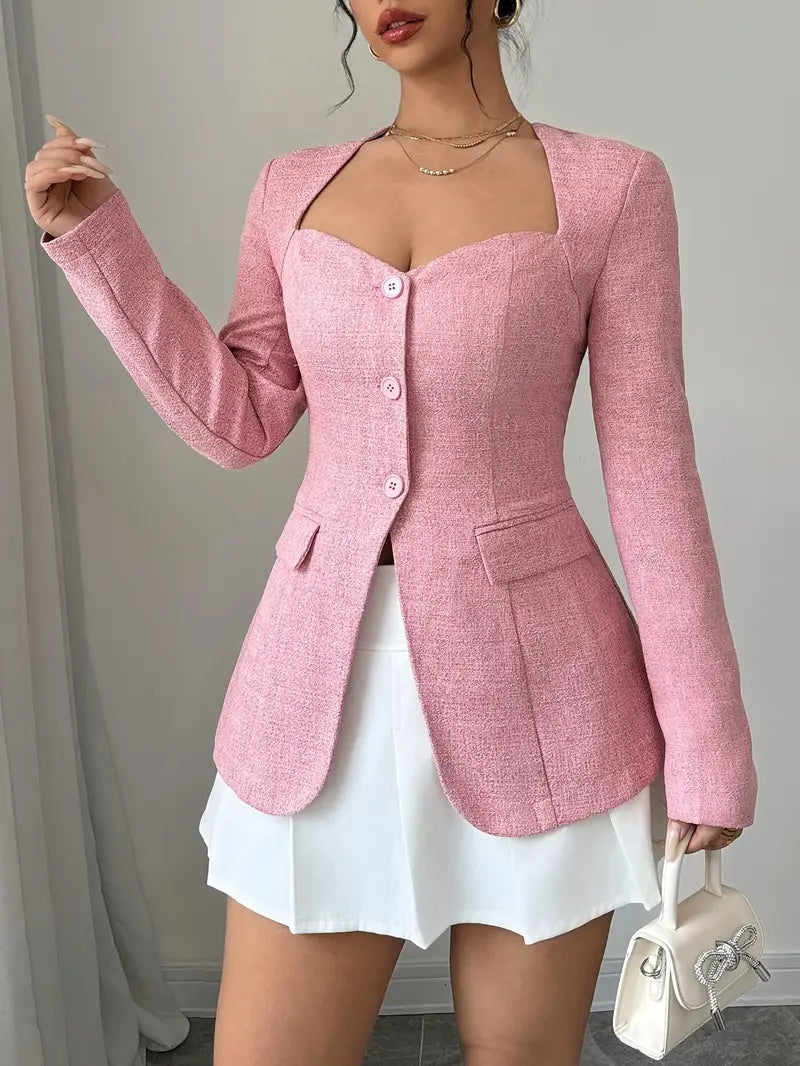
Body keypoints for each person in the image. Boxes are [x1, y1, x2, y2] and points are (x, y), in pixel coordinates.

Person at [25, 1, 758, 1063]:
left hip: (545, 695)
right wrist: (97, 240)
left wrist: (708, 743)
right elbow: (239, 421)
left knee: (517, 1054)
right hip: (316, 692)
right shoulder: (290, 187)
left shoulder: (613, 187)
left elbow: (650, 474)